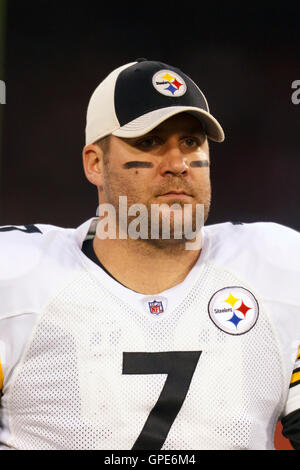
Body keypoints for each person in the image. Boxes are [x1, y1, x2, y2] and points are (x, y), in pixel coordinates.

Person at [0, 58, 299, 451]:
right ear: (94, 163)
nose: (177, 164)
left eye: (191, 142)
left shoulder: (279, 268)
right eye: (149, 142)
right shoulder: (16, 278)